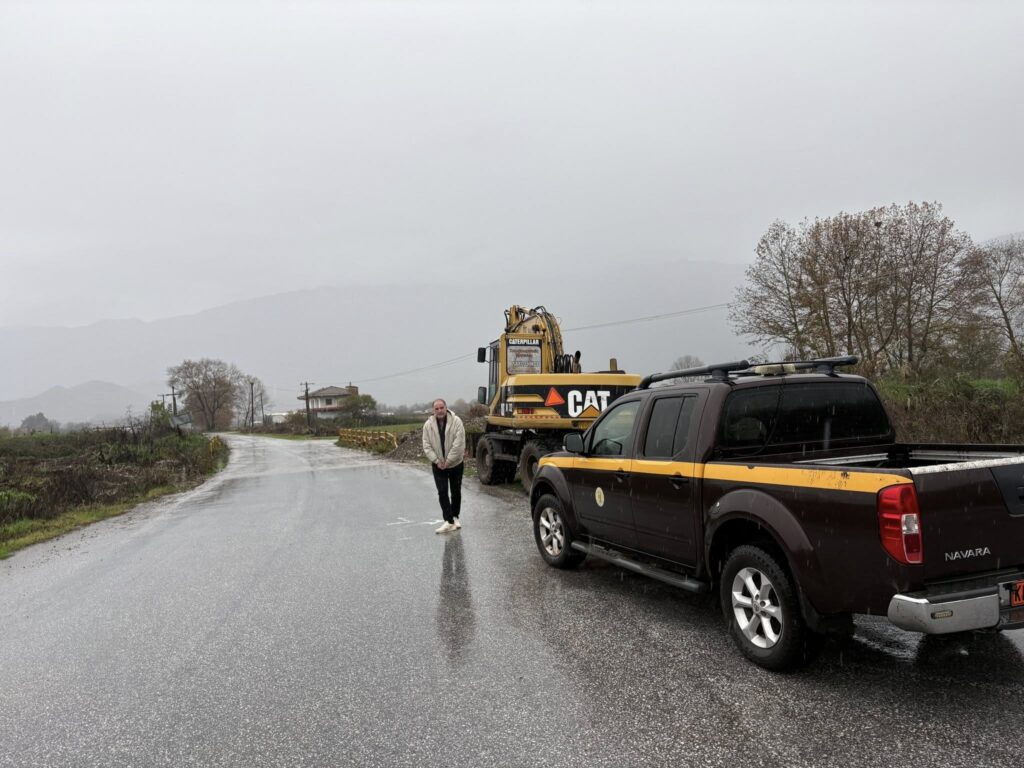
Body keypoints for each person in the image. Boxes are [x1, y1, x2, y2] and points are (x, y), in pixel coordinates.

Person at [422, 398, 466, 534]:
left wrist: (448, 461)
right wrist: (437, 461)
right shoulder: (428, 425)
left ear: (446, 408)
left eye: (442, 408)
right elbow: (426, 445)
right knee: (442, 492)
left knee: (455, 491)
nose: (440, 411)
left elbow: (459, 444)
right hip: (438, 465)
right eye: (437, 409)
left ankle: (455, 517)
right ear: (433, 411)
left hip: (455, 463)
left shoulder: (457, 422)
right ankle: (448, 520)